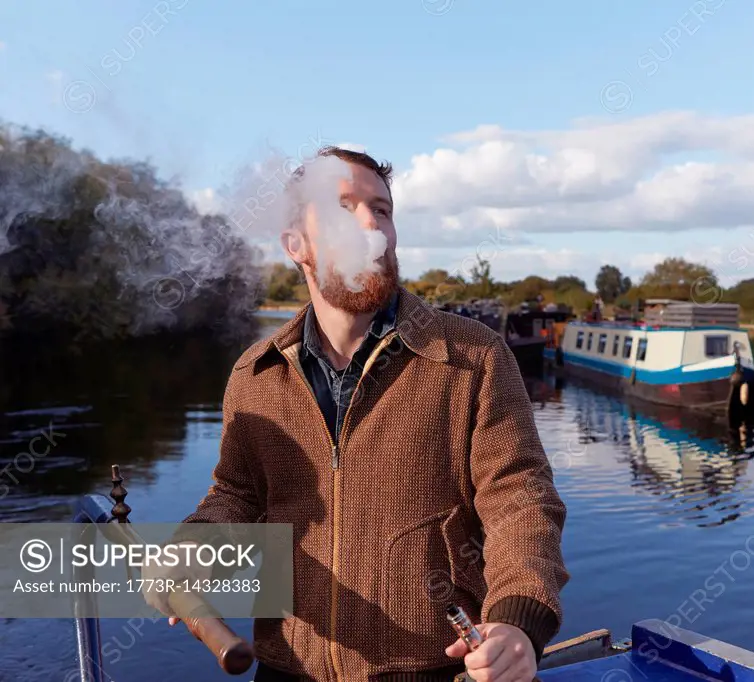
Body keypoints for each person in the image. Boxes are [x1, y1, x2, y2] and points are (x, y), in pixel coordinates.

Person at [144, 147, 570, 681]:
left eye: (382, 209)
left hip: (437, 671)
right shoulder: (255, 375)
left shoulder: (472, 356)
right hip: (286, 670)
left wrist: (516, 621)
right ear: (296, 244)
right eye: (345, 207)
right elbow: (238, 495)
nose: (372, 224)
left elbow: (520, 500)